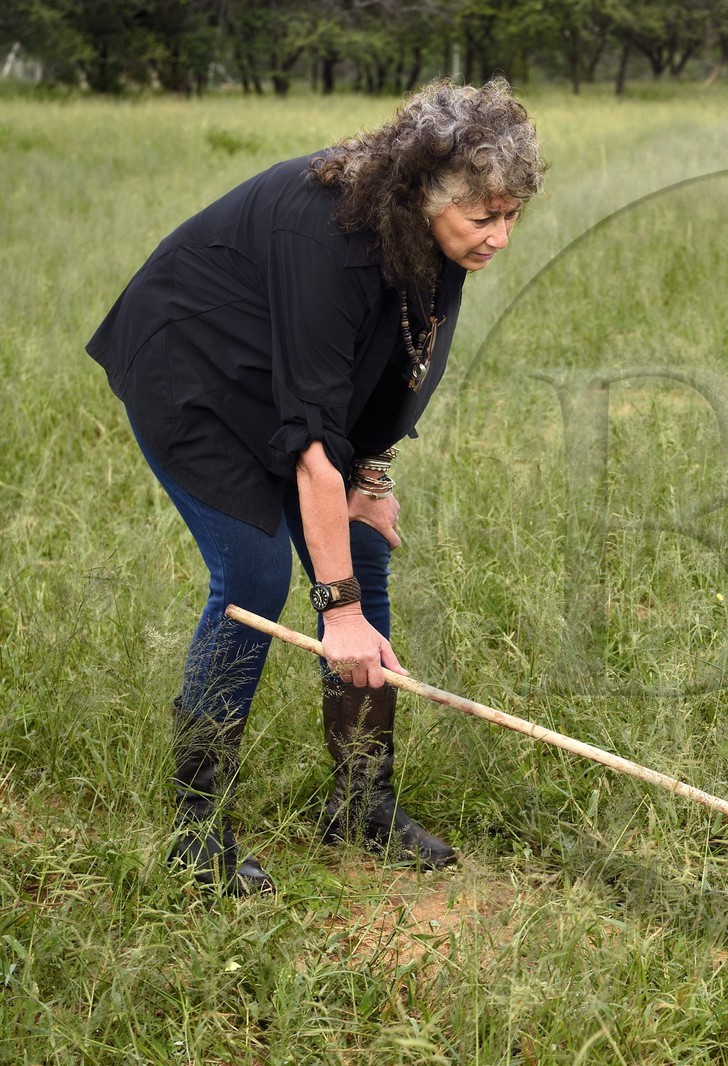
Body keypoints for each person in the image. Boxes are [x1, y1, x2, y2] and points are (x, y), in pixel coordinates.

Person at [87, 79, 546, 895]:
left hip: (285, 383)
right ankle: (198, 832)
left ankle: (362, 807)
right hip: (192, 373)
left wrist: (368, 476)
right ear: (423, 192)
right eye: (485, 218)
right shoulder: (328, 234)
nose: (500, 238)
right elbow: (308, 439)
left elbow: (397, 358)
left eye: (511, 216)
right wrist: (335, 611)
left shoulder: (436, 237)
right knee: (253, 580)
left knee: (361, 549)